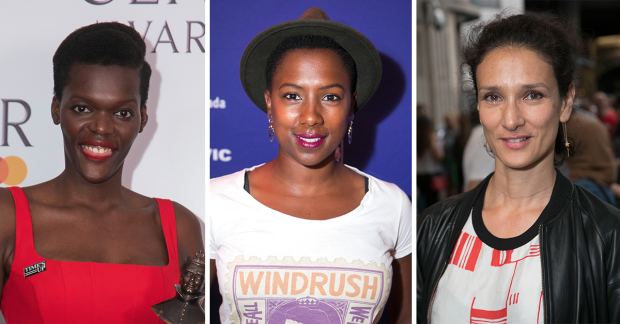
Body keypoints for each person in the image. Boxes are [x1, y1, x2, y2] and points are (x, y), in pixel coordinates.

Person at [210, 8, 412, 324]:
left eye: (330, 97)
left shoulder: (393, 205)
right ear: (269, 102)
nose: (310, 116)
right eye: (292, 95)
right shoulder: (215, 201)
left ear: (351, 106)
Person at [417, 13, 620, 323]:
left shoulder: (609, 235)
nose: (510, 120)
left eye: (532, 95)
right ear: (479, 108)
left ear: (565, 103)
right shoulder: (431, 229)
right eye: (493, 96)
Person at [0, 23, 203, 323]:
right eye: (83, 108)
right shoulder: (8, 215)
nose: (102, 128)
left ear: (143, 119)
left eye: (122, 113)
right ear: (57, 108)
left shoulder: (178, 225)